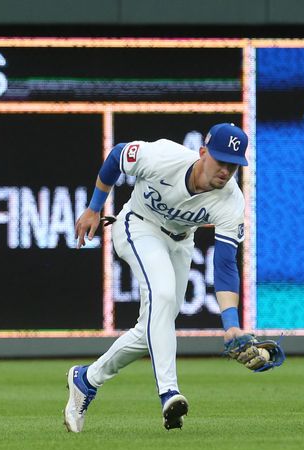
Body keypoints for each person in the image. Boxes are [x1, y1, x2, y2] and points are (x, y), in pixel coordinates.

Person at [64, 123, 250, 432]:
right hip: (137, 226)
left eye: (234, 164)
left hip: (180, 242)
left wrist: (231, 324)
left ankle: (86, 379)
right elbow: (116, 156)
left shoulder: (231, 201)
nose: (226, 170)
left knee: (153, 326)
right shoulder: (163, 156)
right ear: (203, 153)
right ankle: (169, 392)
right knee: (162, 297)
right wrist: (94, 208)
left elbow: (226, 264)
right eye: (221, 160)